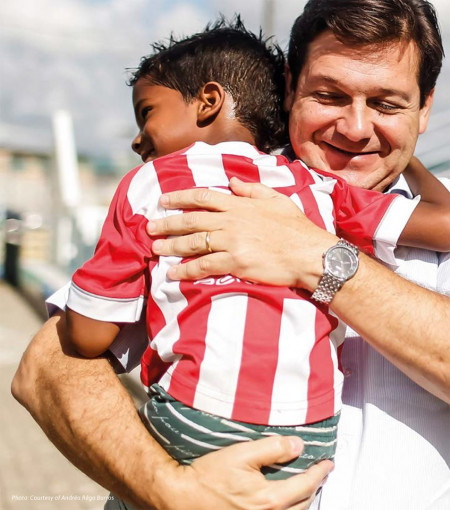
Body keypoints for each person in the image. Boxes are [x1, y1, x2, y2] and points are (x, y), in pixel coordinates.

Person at [11, 1, 450, 509]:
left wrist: (313, 256)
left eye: (387, 105)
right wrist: (168, 488)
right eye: (329, 95)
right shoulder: (208, 194)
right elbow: (48, 364)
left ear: (425, 109)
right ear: (290, 88)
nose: (355, 128)